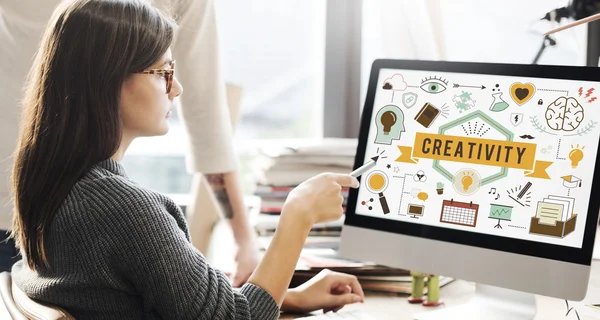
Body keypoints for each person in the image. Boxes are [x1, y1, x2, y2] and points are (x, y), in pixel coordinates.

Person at [8, 0, 365, 318]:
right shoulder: (124, 210)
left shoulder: (53, 187)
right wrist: (298, 213)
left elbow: (168, 299)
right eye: (162, 73)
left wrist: (287, 297)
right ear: (108, 80)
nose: (176, 88)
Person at [0, 0, 261, 286]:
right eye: (162, 73)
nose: (175, 88)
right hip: (36, 213)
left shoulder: (121, 207)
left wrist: (242, 241)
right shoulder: (131, 213)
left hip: (33, 202)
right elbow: (206, 114)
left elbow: (206, 116)